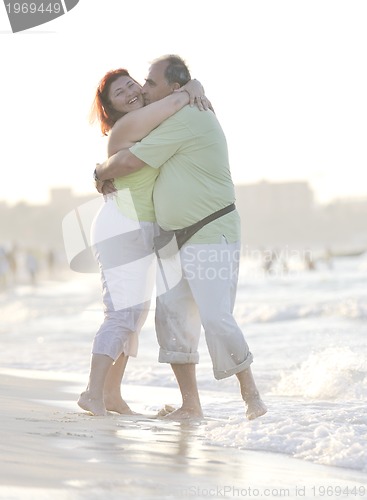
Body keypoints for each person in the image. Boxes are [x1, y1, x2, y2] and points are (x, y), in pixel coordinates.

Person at [95, 55, 267, 421]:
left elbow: (128, 163)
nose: (142, 88)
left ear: (174, 89)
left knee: (216, 317)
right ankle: (191, 406)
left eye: (150, 82)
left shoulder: (188, 118)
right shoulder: (164, 119)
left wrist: (98, 171)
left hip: (209, 229)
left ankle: (251, 396)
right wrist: (194, 87)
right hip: (171, 237)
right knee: (171, 320)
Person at [78, 67, 209, 416]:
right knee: (121, 314)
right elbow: (171, 105)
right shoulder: (128, 127)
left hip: (139, 226)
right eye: (119, 93)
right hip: (123, 224)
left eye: (131, 85)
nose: (130, 93)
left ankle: (111, 395)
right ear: (112, 109)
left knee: (133, 316)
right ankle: (93, 392)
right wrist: (190, 87)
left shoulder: (148, 123)